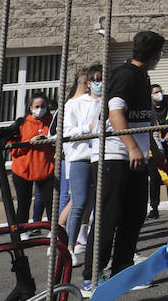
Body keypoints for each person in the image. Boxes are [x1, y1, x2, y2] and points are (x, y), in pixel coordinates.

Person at [84, 30, 162, 290]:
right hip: (114, 155)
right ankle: (91, 278)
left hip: (135, 156)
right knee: (109, 216)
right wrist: (132, 147)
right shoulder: (125, 75)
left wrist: (152, 147)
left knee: (134, 215)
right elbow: (115, 113)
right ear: (156, 55)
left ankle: (122, 272)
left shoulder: (142, 76)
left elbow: (142, 118)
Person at [61, 65, 103, 259]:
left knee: (99, 203)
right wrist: (88, 127)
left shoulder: (107, 102)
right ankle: (68, 247)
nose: (100, 84)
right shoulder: (74, 104)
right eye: (97, 80)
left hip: (102, 156)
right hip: (81, 156)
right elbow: (66, 133)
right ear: (88, 83)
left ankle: (91, 243)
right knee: (80, 202)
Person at [8, 93, 55, 224]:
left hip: (46, 169)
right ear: (30, 107)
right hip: (23, 170)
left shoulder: (52, 122)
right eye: (37, 106)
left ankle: (54, 231)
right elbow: (12, 148)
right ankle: (21, 232)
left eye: (43, 106)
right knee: (23, 203)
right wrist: (29, 142)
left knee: (51, 203)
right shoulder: (21, 123)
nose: (40, 109)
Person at [147, 85, 168, 218]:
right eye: (156, 92)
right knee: (154, 180)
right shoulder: (149, 110)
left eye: (160, 91)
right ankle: (154, 208)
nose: (160, 94)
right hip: (154, 150)